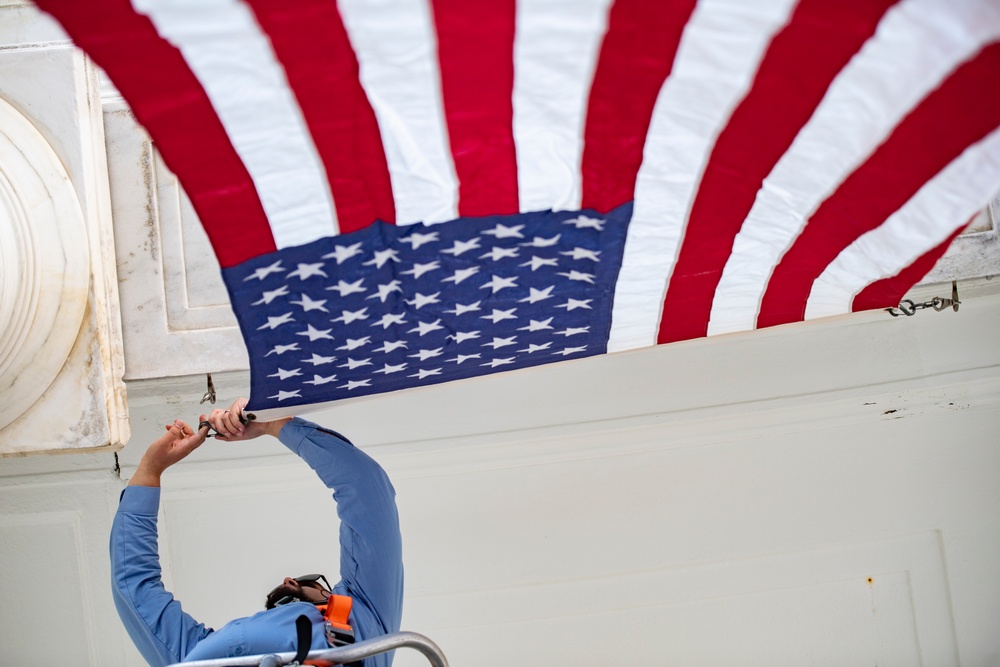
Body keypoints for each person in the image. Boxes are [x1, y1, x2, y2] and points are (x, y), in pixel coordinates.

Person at [110, 398, 403, 666]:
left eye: (300, 582)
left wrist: (149, 471)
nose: (289, 578)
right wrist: (275, 425)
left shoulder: (366, 614)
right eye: (301, 581)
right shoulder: (199, 650)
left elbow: (134, 587)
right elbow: (365, 488)